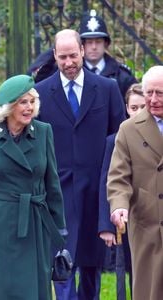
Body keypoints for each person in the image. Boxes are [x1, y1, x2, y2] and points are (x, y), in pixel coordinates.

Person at [35, 29, 125, 300]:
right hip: (57, 193)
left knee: (90, 266)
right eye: (62, 57)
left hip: (95, 191)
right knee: (61, 263)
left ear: (83, 52)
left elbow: (119, 138)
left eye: (73, 55)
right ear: (54, 56)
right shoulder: (40, 92)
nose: (69, 62)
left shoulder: (107, 88)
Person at [0, 74, 66, 300]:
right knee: (2, 287)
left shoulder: (43, 131)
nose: (29, 108)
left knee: (33, 288)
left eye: (32, 102)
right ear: (9, 107)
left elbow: (52, 183)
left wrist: (60, 228)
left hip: (35, 221)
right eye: (23, 102)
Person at [108, 65, 163, 300]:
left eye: (160, 93)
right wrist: (119, 205)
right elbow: (118, 177)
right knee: (150, 291)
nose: (153, 99)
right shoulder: (128, 129)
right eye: (149, 92)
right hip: (146, 225)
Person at [98, 83, 145, 297]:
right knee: (127, 268)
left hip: (151, 213)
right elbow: (107, 181)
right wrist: (106, 225)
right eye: (134, 107)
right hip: (125, 216)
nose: (138, 112)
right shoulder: (114, 140)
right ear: (126, 108)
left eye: (142, 106)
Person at [28, 10, 137, 98]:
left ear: (106, 43)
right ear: (81, 47)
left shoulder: (122, 76)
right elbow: (36, 79)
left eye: (98, 41)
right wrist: (62, 45)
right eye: (89, 42)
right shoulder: (69, 70)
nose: (94, 47)